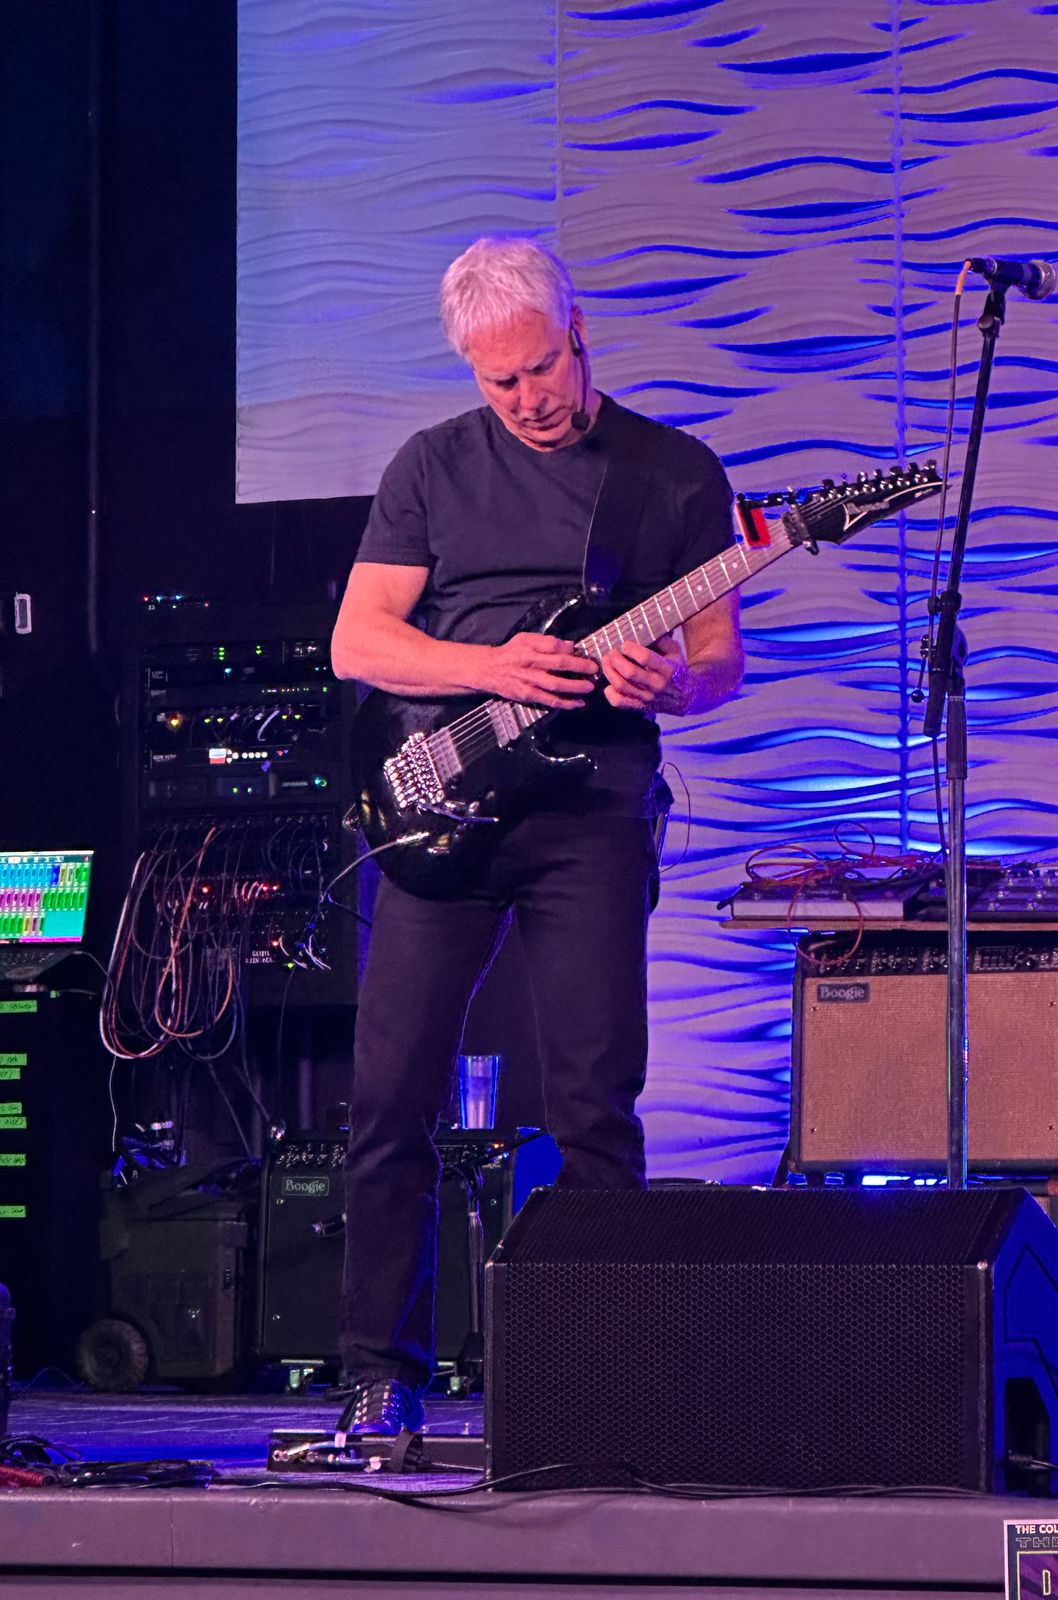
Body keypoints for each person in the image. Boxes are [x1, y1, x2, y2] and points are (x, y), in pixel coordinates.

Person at [329, 235, 744, 1437]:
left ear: (580, 332)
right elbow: (361, 641)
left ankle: (602, 1385)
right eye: (499, 380)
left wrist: (676, 687)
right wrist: (489, 665)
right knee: (390, 1099)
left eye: (544, 368)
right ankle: (378, 1376)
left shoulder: (674, 473)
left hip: (591, 812)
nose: (529, 399)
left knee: (594, 1102)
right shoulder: (433, 465)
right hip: (439, 809)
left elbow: (719, 660)